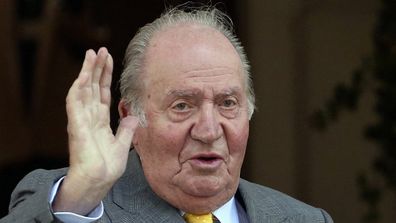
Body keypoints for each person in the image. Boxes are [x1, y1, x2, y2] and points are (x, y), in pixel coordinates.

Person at [1, 5, 333, 223]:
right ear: (131, 117)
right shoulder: (67, 202)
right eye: (182, 106)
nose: (208, 130)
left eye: (227, 103)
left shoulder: (307, 219)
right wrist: (84, 192)